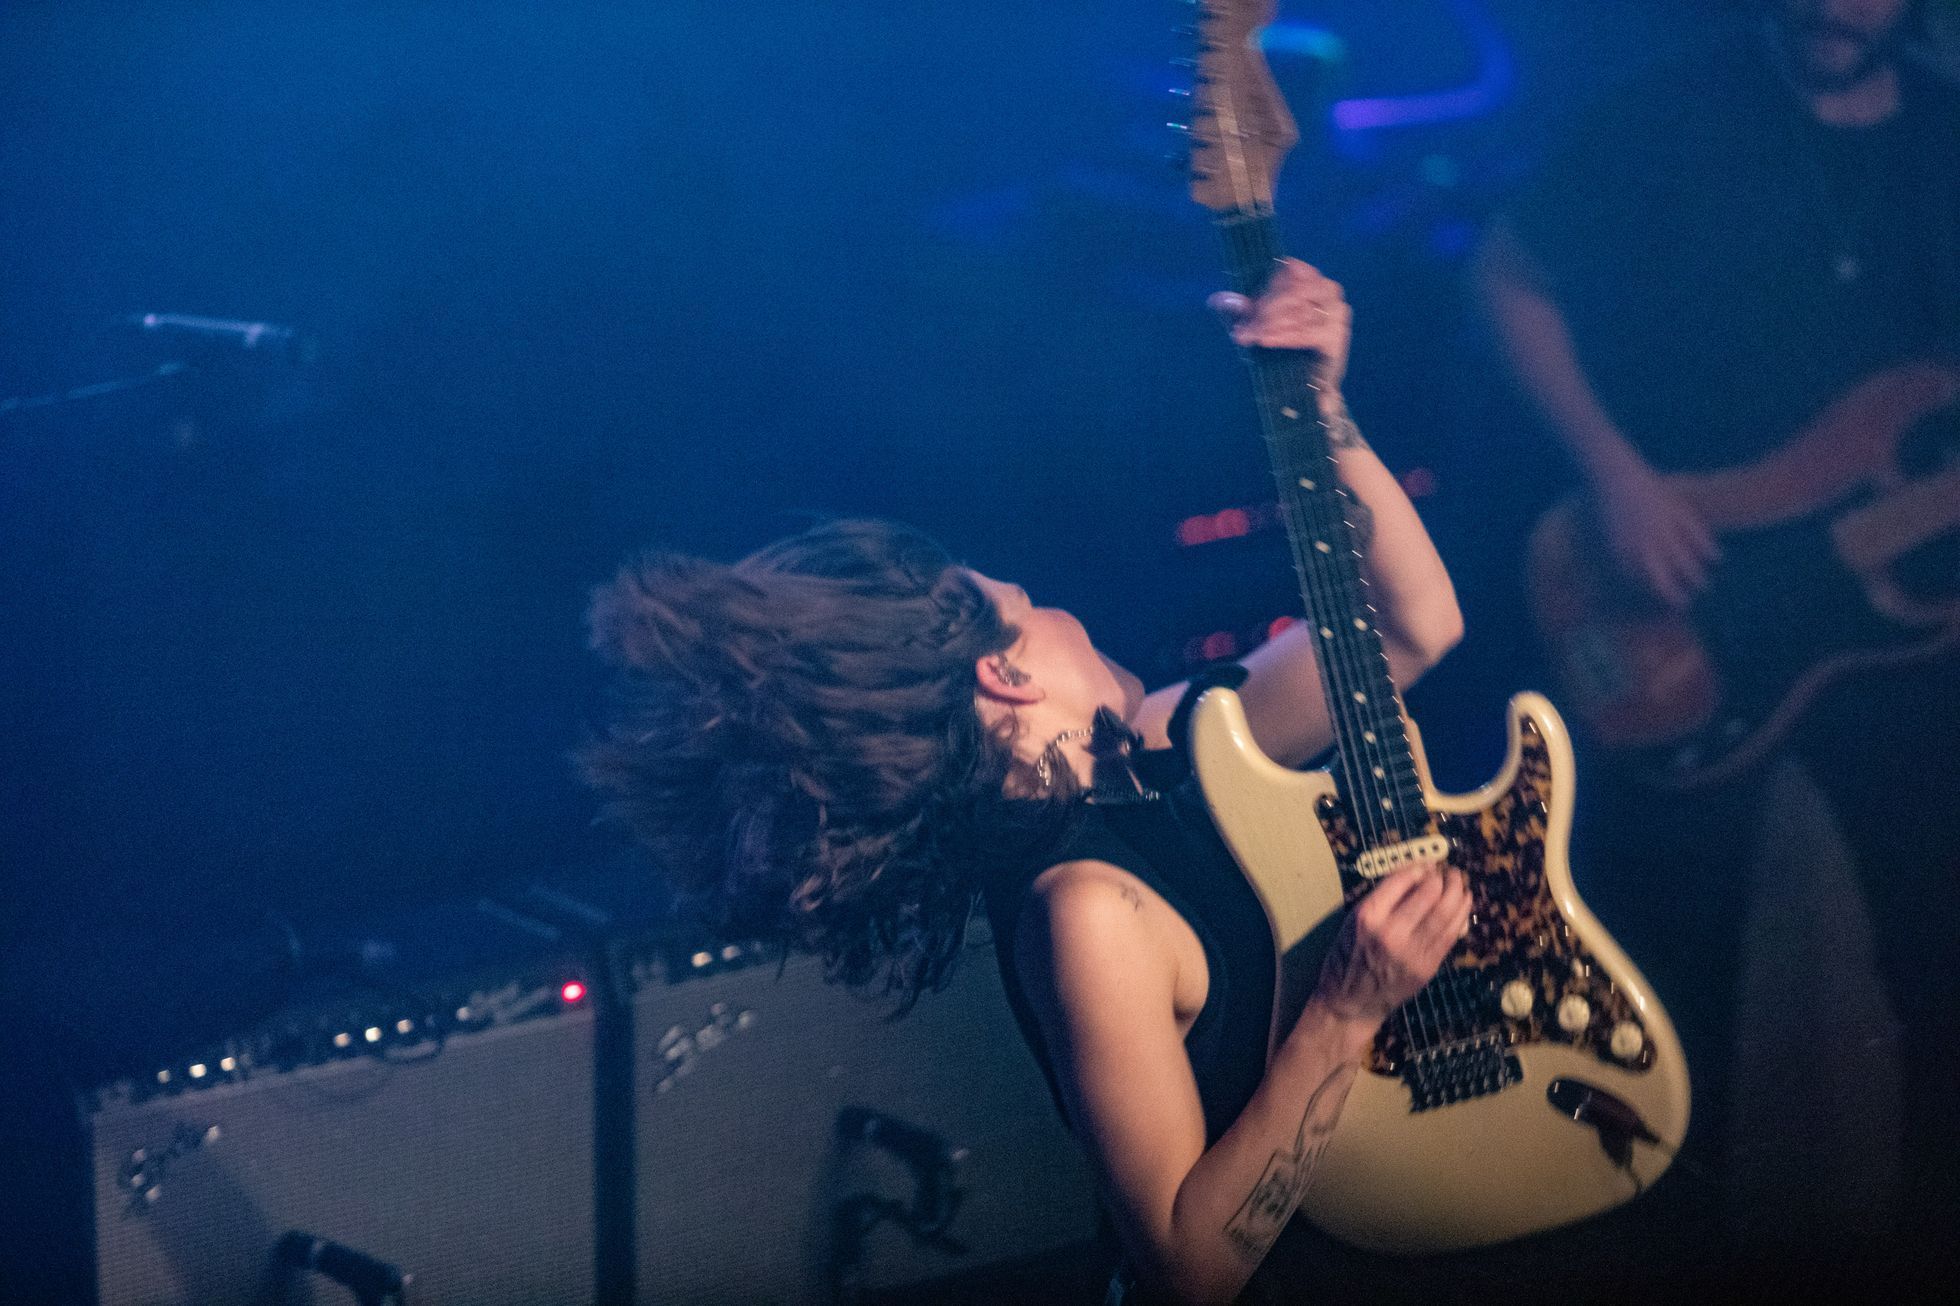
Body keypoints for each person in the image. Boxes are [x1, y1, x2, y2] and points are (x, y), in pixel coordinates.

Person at [582, 259, 1471, 1304]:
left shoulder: (1163, 744)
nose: (1059, 610)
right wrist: (1345, 1013)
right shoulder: (1083, 910)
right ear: (1004, 677)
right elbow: (1187, 1268)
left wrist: (1321, 411)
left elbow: (1412, 627)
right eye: (1031, 603)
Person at [1475, 0, 1960, 1286]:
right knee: (1655, 987)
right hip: (1671, 601)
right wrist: (1614, 474)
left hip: (1900, 633)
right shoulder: (1666, 109)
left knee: (1942, 966)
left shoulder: (1942, 136)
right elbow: (1507, 275)